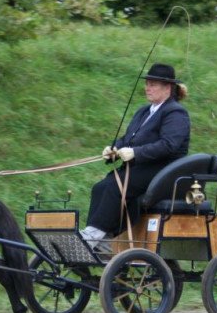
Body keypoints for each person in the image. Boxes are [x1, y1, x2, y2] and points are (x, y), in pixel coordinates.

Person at [80, 63, 190, 248]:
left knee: (117, 186)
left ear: (168, 87)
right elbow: (129, 138)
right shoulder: (144, 111)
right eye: (147, 83)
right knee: (100, 187)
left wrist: (135, 153)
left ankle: (93, 236)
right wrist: (114, 150)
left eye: (153, 84)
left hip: (163, 170)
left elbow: (169, 145)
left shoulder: (176, 113)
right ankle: (103, 238)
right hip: (141, 168)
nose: (147, 87)